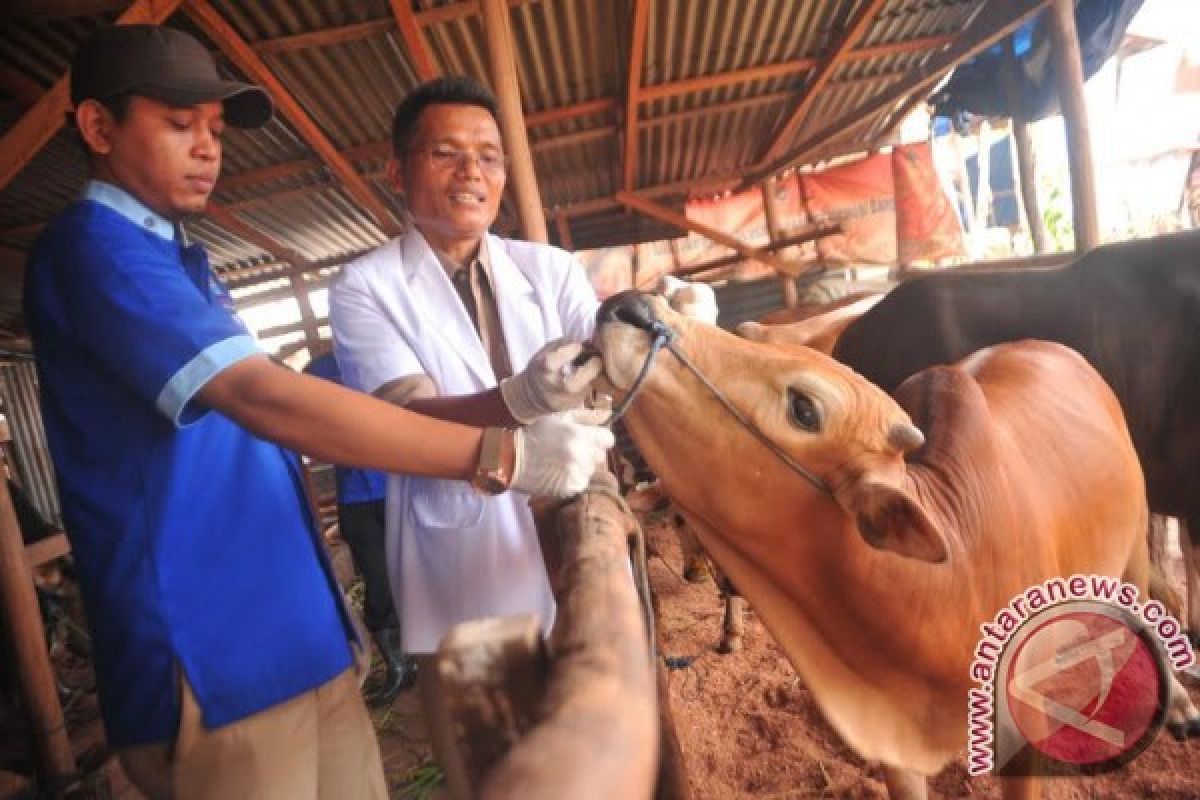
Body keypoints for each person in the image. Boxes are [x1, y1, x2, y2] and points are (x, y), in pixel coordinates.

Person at [24, 25, 611, 800]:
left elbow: (255, 450)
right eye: (178, 124)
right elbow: (265, 399)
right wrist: (503, 449)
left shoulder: (181, 264)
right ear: (99, 127)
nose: (208, 148)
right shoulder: (94, 250)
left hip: (296, 633)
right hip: (212, 648)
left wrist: (335, 618)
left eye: (214, 129)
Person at [328, 75, 603, 796]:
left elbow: (609, 378)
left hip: (573, 540)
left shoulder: (550, 269)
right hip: (463, 562)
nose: (472, 172)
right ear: (398, 171)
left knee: (592, 742)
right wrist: (520, 400)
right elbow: (405, 420)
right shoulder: (365, 286)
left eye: (488, 156)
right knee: (495, 761)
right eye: (447, 152)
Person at [304, 349, 418, 702]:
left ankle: (428, 656)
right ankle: (399, 666)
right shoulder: (317, 372)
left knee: (422, 572)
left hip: (401, 485)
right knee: (378, 581)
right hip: (356, 498)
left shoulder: (385, 357)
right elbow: (310, 434)